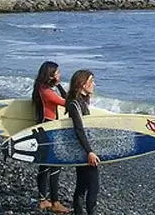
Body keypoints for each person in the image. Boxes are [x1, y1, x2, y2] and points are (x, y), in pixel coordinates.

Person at [31, 61, 70, 213]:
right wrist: (59, 86)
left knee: (45, 164)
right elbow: (66, 102)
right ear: (51, 74)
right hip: (48, 129)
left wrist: (58, 85)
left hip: (43, 127)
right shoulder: (46, 91)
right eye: (58, 73)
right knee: (55, 164)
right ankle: (55, 202)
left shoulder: (41, 87)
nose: (60, 75)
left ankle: (43, 200)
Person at [65, 69, 100, 215]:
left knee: (82, 186)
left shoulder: (81, 102)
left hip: (82, 149)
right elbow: (79, 130)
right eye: (91, 81)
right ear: (82, 84)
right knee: (92, 187)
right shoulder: (75, 104)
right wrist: (89, 152)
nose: (94, 84)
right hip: (83, 151)